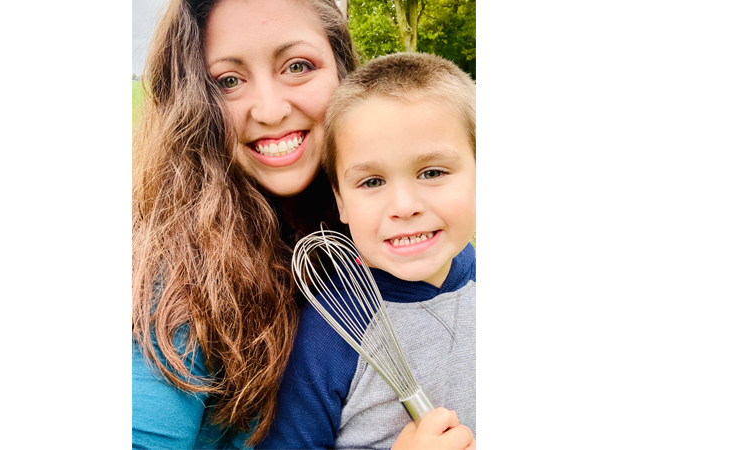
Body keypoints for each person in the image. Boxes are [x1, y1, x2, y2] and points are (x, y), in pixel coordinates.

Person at [132, 1, 470, 449]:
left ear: (342, 70)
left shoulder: (386, 241)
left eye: (297, 65)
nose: (271, 111)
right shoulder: (174, 287)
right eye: (229, 81)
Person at [260, 52, 477, 449]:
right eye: (372, 181)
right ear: (340, 201)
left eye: (432, 172)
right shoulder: (330, 333)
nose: (403, 205)